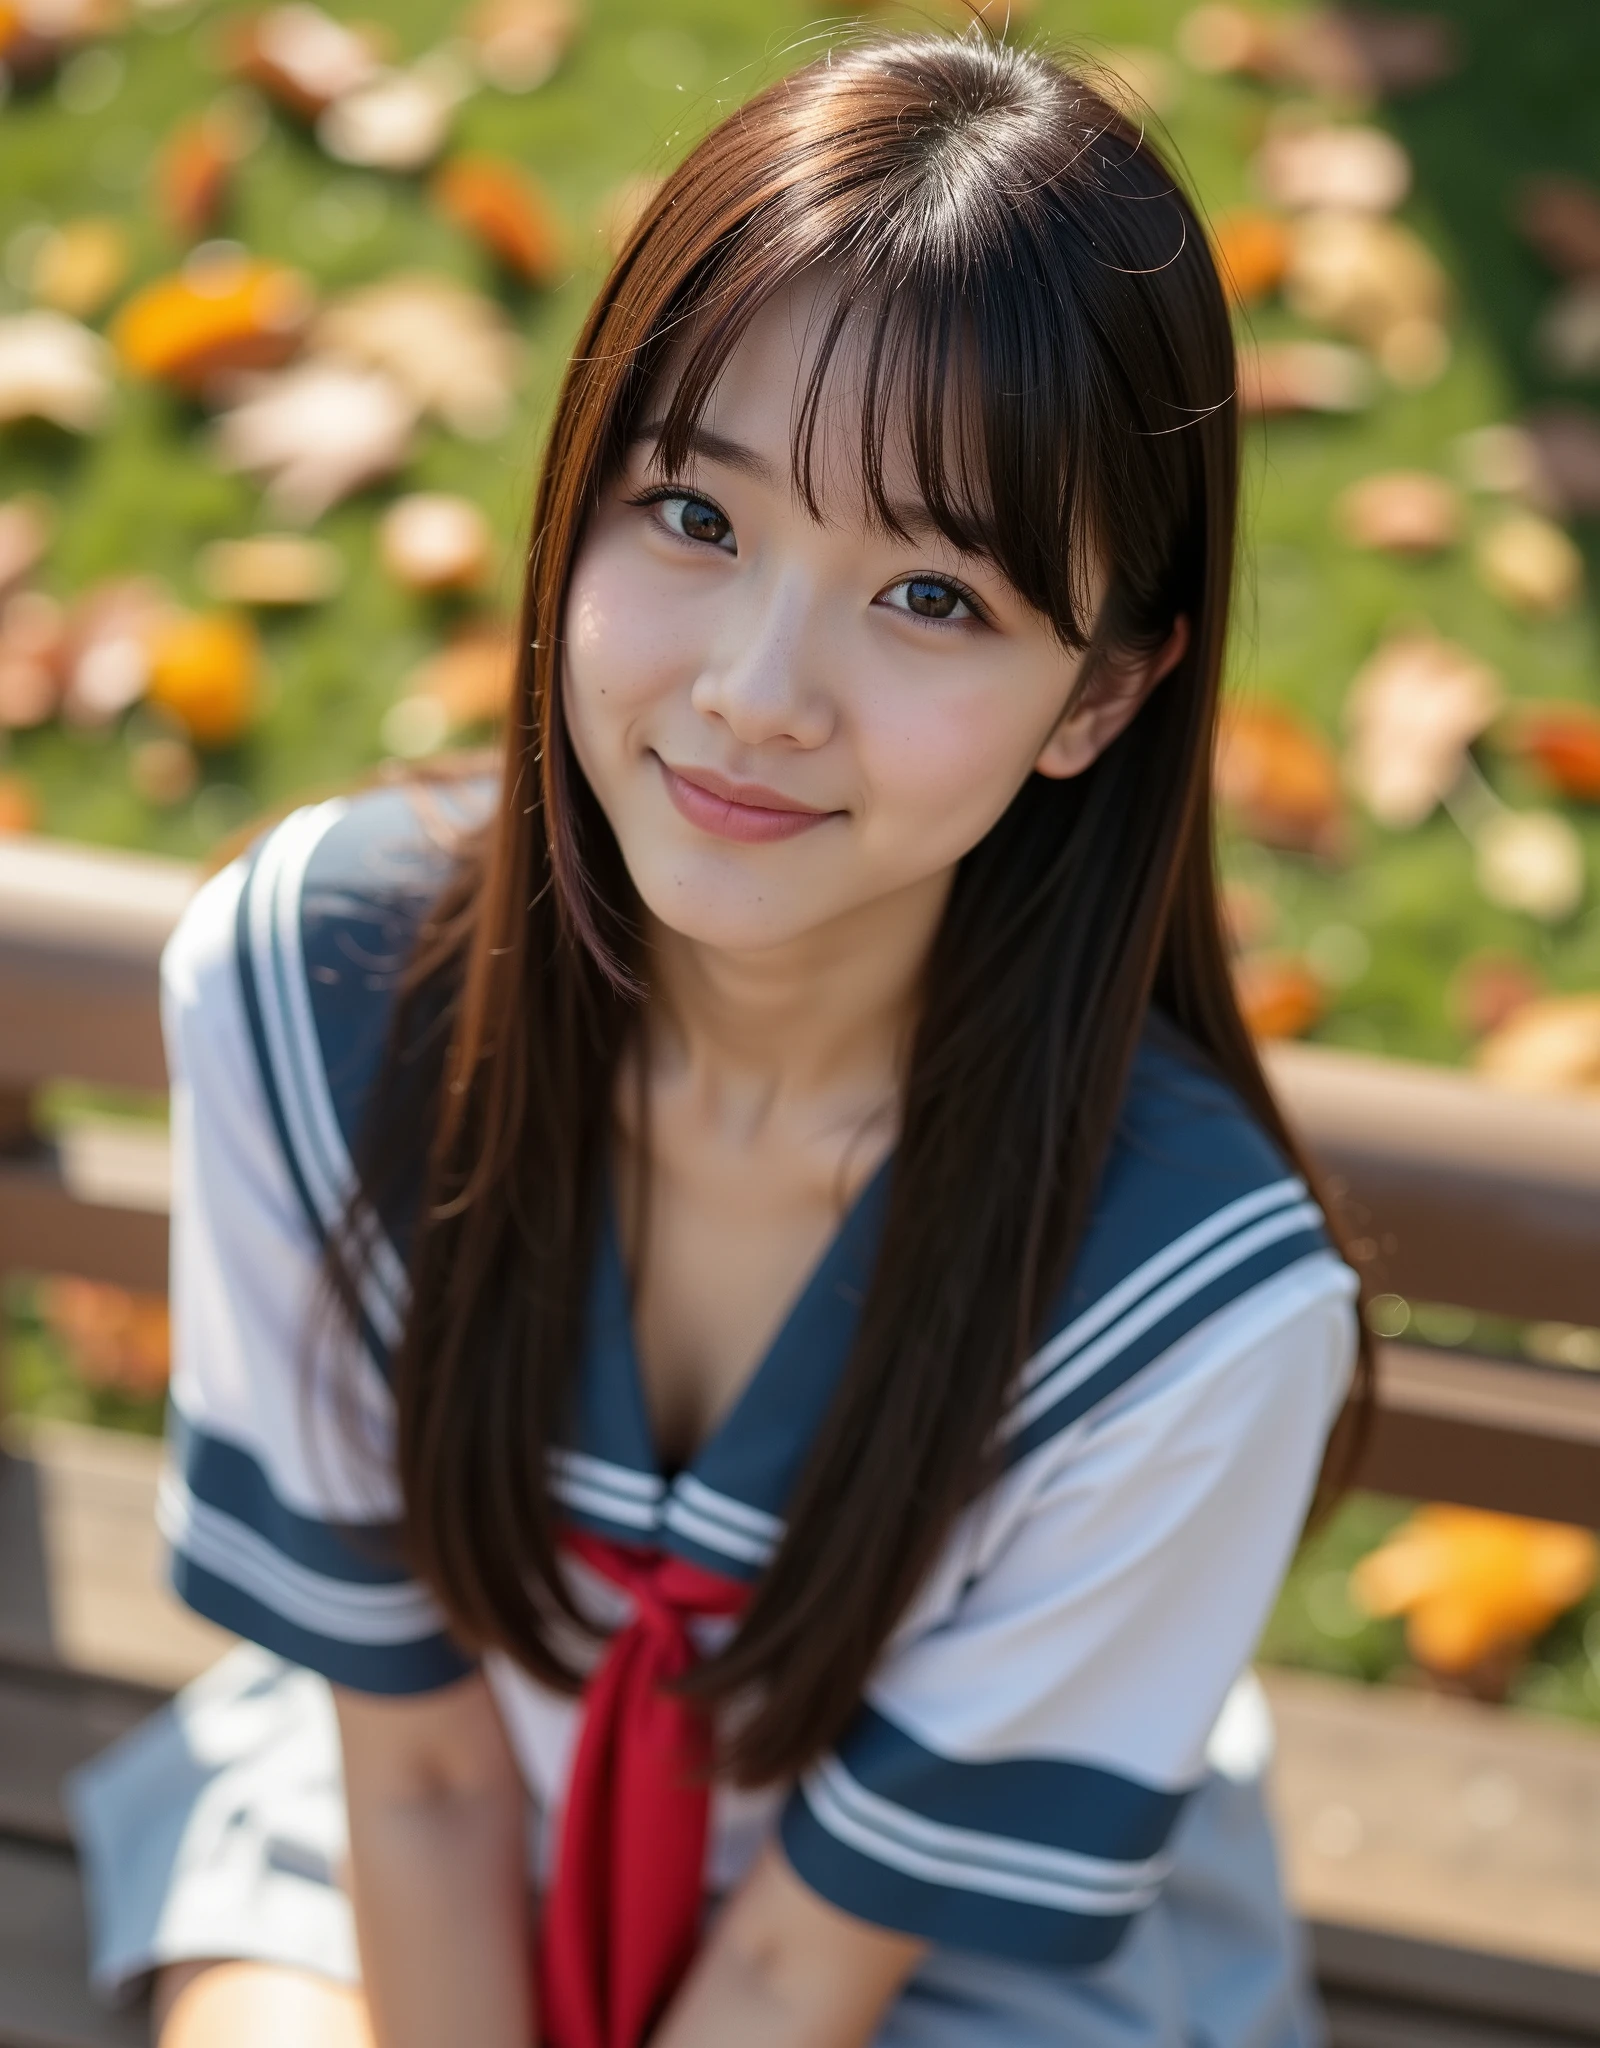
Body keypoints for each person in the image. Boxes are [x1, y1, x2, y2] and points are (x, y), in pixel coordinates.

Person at [70, 29, 1365, 2048]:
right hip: (423, 1795)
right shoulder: (313, 1000)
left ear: (1096, 696)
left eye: (928, 595)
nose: (759, 690)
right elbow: (408, 1771)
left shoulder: (1187, 1311)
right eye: (692, 510)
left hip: (948, 1944)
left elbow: (794, 1966)